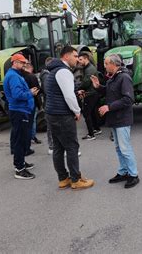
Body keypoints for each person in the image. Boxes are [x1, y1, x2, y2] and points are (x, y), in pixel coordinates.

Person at [45, 46, 94, 190]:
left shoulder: (52, 70)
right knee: (72, 146)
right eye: (74, 55)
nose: (77, 59)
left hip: (51, 113)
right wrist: (77, 111)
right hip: (62, 115)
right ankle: (76, 179)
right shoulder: (63, 71)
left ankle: (63, 178)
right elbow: (68, 95)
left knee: (58, 147)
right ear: (66, 56)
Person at [90, 54, 139, 189]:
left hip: (122, 118)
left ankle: (133, 174)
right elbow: (110, 91)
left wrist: (109, 107)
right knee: (119, 148)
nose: (104, 66)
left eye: (106, 64)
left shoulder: (124, 78)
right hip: (116, 119)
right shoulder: (114, 77)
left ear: (115, 64)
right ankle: (123, 171)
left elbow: (128, 99)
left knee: (125, 148)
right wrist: (98, 86)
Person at [3, 53, 38, 179]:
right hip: (19, 110)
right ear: (15, 62)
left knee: (22, 138)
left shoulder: (15, 75)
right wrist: (30, 93)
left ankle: (21, 162)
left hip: (20, 110)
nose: (24, 65)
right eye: (22, 63)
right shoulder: (13, 76)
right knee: (20, 139)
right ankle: (19, 168)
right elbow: (17, 95)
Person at [77, 52, 101, 140]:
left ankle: (91, 135)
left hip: (90, 94)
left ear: (86, 59)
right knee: (92, 112)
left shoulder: (89, 69)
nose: (79, 61)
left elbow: (86, 83)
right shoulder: (88, 68)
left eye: (80, 59)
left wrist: (77, 89)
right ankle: (96, 129)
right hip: (93, 93)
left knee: (87, 114)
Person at [22, 63, 42, 147]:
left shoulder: (20, 76)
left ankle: (26, 137)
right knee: (32, 119)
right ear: (30, 68)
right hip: (32, 100)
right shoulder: (32, 77)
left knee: (25, 120)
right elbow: (37, 89)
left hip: (23, 101)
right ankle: (32, 137)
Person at [39, 57, 54, 155]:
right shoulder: (46, 75)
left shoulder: (47, 74)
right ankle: (52, 146)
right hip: (49, 103)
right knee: (51, 126)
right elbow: (47, 90)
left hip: (50, 103)